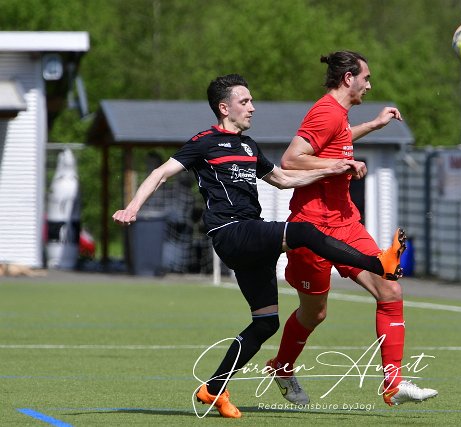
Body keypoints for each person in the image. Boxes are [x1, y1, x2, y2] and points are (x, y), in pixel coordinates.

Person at [112, 74, 405, 419]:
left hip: (251, 238)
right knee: (303, 231)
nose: (252, 107)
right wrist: (132, 208)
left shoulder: (249, 146)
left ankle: (213, 388)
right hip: (231, 231)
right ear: (224, 108)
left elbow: (283, 179)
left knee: (266, 323)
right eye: (245, 101)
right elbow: (160, 173)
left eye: (251, 101)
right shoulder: (204, 142)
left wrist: (335, 169)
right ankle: (378, 264)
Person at [267, 51, 438, 406]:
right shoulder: (326, 111)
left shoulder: (338, 115)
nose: (369, 85)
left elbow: (339, 139)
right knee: (315, 313)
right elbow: (291, 160)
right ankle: (282, 367)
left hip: (345, 223)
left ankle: (393, 384)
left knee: (389, 289)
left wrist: (373, 125)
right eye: (366, 78)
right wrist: (341, 164)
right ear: (349, 78)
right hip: (311, 229)